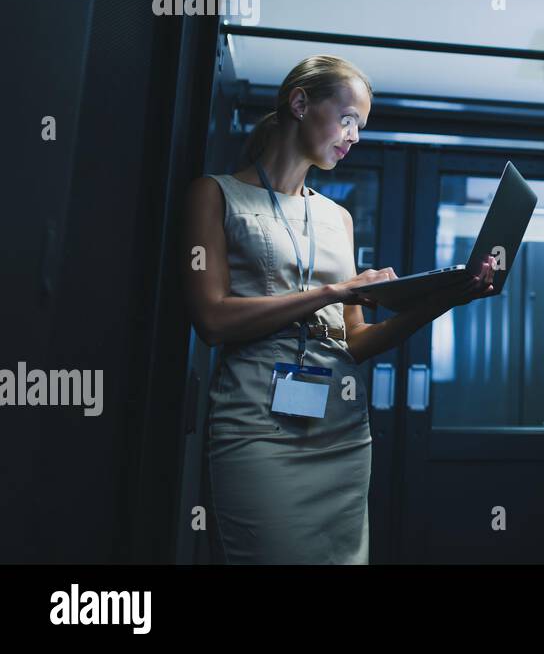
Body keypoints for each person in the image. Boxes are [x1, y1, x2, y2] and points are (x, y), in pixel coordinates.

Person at [181, 54, 495, 563]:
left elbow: (355, 340)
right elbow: (212, 319)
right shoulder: (215, 195)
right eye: (348, 119)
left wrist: (445, 299)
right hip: (256, 425)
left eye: (361, 127)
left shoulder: (337, 218)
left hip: (341, 431)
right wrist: (333, 293)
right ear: (300, 103)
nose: (354, 136)